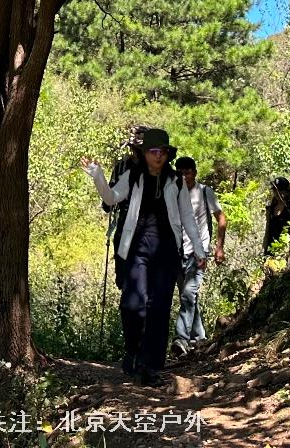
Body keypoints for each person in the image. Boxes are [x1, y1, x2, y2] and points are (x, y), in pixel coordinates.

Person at [82, 128, 213, 387]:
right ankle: (133, 350)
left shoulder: (175, 181)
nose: (158, 156)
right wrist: (97, 176)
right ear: (144, 154)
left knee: (159, 309)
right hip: (135, 248)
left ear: (168, 154)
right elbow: (111, 197)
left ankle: (150, 366)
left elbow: (187, 216)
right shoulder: (133, 176)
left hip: (167, 252)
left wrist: (199, 250)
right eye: (153, 151)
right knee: (132, 305)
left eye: (162, 151)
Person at [172, 155, 225, 356]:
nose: (184, 176)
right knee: (188, 297)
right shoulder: (173, 192)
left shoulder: (204, 192)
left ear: (194, 172)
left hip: (199, 252)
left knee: (188, 294)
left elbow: (221, 218)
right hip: (178, 252)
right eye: (180, 173)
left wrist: (219, 248)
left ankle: (181, 339)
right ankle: (200, 338)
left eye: (187, 172)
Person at [263, 176, 290, 257]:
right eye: (275, 190)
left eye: (280, 190)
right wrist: (265, 249)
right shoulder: (270, 209)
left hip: (286, 252)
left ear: (287, 192)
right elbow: (268, 230)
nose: (277, 193)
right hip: (270, 251)